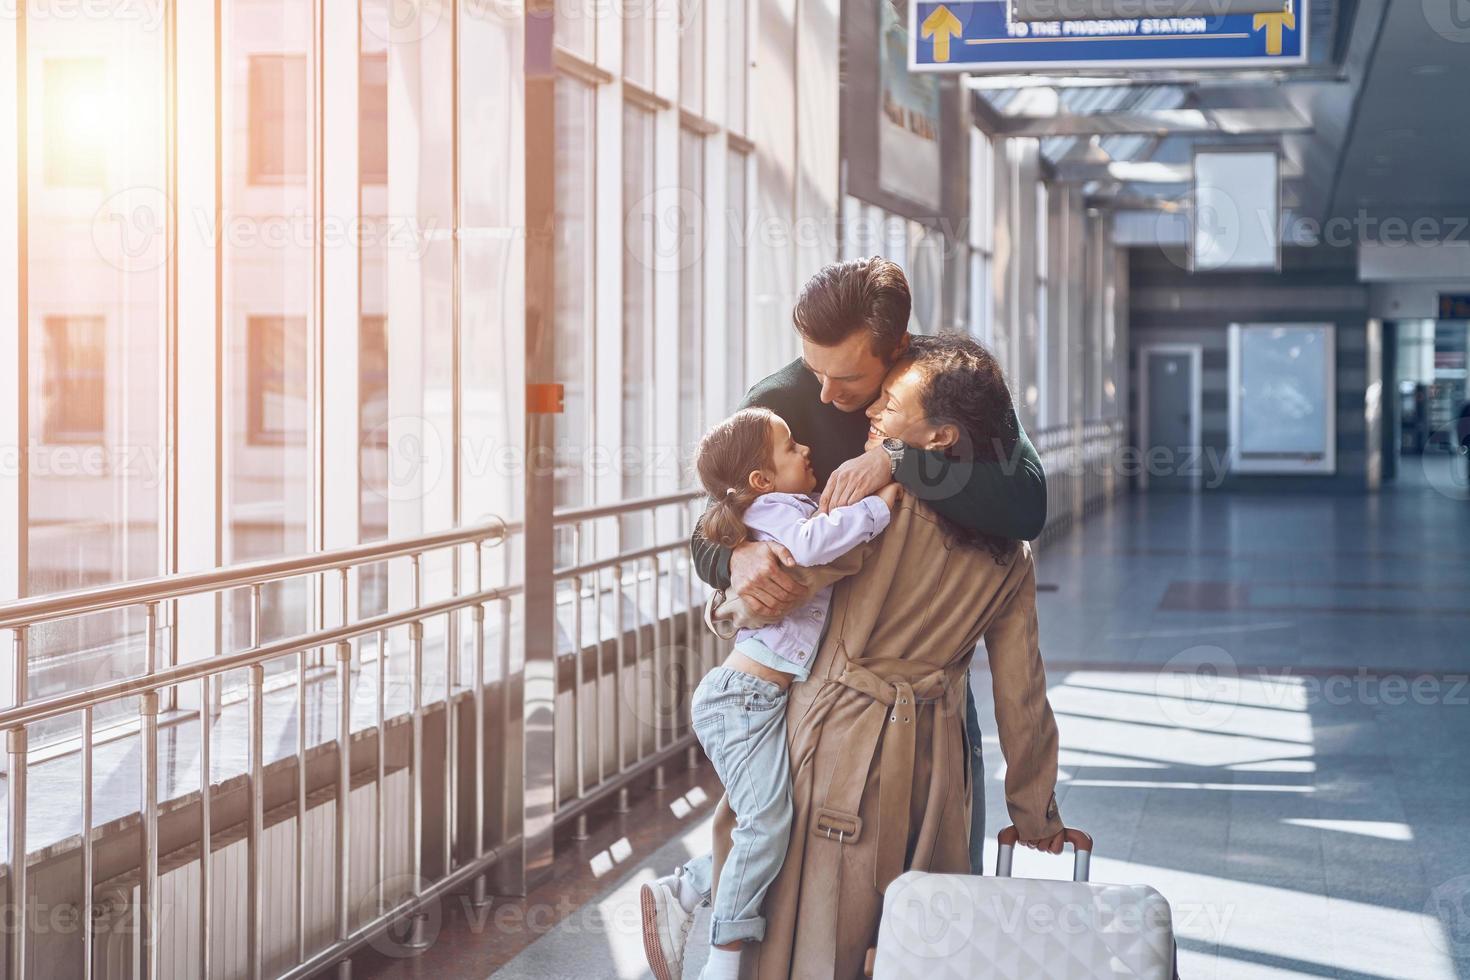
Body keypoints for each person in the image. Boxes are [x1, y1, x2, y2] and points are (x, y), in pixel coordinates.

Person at [640, 257, 1048, 977]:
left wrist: (895, 459)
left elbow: (1026, 503)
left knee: (807, 912)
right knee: (905, 920)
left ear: (896, 353)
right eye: (814, 370)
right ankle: (702, 901)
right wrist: (732, 570)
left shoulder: (941, 386)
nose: (830, 398)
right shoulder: (782, 399)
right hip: (824, 694)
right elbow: (719, 525)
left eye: (858, 386)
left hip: (846, 712)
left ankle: (705, 914)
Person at [671, 407, 899, 980]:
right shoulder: (774, 512)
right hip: (742, 698)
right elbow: (814, 545)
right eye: (790, 446)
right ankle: (722, 959)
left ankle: (694, 882)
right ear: (759, 481)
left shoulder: (787, 501)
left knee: (778, 820)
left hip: (765, 699)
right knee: (767, 822)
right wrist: (880, 506)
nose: (804, 450)